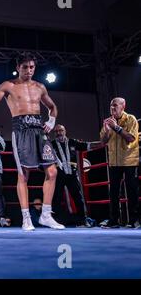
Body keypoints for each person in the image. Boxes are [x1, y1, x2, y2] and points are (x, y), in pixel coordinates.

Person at [0, 52, 64, 231]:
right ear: (18, 67)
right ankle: (26, 217)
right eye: (25, 67)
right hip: (21, 131)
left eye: (32, 67)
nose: (29, 70)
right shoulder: (9, 86)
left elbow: (52, 106)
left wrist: (51, 120)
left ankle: (46, 214)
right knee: (23, 175)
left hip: (39, 130)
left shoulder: (40, 87)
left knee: (52, 171)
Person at [100, 97, 139, 228]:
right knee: (114, 192)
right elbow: (103, 141)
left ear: (123, 106)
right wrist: (106, 130)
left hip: (129, 161)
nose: (112, 108)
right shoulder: (108, 122)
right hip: (114, 162)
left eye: (115, 105)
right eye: (111, 106)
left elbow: (131, 138)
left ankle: (134, 220)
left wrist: (116, 127)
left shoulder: (131, 119)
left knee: (132, 191)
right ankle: (114, 220)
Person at [51, 124, 101, 227]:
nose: (59, 133)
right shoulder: (51, 145)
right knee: (56, 198)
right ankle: (56, 221)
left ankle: (82, 220)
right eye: (56, 131)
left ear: (65, 131)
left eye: (61, 130)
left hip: (72, 174)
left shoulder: (73, 142)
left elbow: (88, 145)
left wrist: (103, 143)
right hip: (58, 175)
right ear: (54, 133)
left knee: (78, 197)